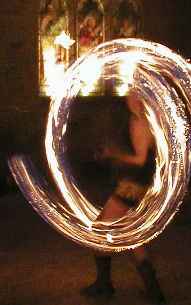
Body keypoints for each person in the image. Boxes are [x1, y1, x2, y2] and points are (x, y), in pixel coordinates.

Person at [80, 88, 165, 303]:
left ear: (140, 96)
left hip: (133, 186)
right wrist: (112, 154)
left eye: (132, 93)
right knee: (127, 233)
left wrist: (112, 154)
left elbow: (139, 159)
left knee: (99, 229)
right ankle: (152, 289)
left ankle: (104, 284)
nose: (128, 96)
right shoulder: (143, 118)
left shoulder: (139, 120)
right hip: (136, 183)